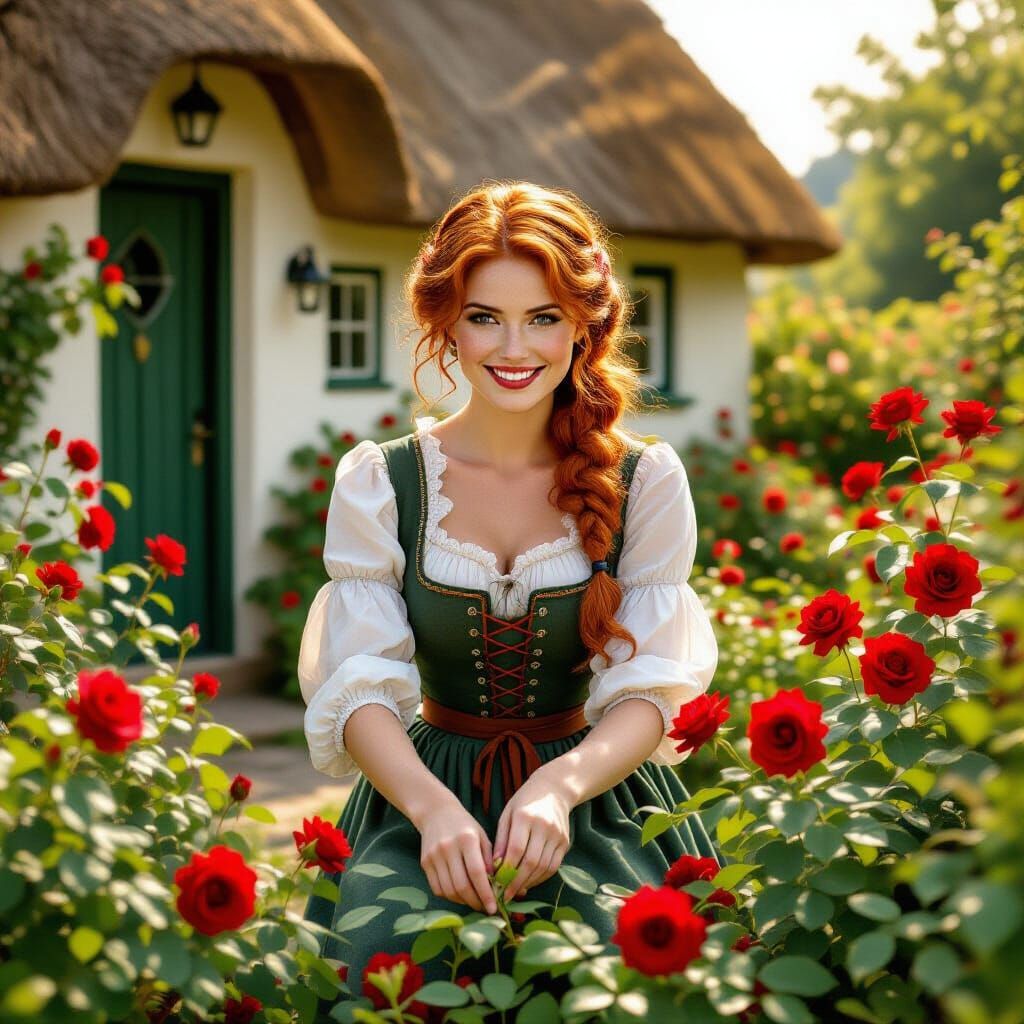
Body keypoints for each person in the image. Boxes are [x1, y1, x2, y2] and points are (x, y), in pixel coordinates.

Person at [298, 180, 722, 1001]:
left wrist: (559, 788)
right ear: (446, 321)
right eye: (485, 315)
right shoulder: (382, 482)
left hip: (598, 799)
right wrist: (431, 812)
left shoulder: (646, 480)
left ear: (583, 325)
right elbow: (359, 689)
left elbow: (654, 689)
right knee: (386, 968)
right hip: (420, 798)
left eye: (544, 316)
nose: (513, 346)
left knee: (617, 979)